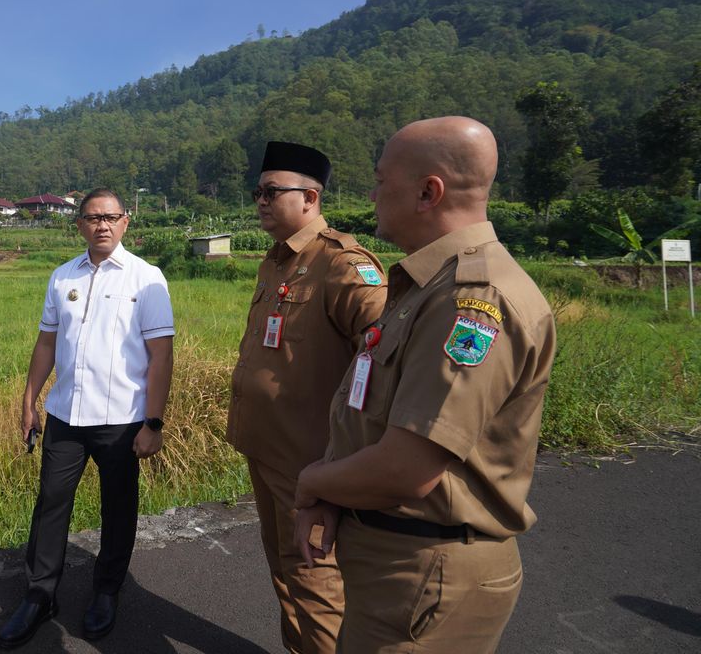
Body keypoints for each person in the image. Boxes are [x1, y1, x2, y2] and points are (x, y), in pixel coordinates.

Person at [293, 116, 557, 653]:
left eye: (381, 180)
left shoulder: (472, 300)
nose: (372, 194)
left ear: (427, 191)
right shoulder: (426, 286)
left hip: (424, 574)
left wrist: (314, 482)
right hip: (399, 567)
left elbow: (408, 468)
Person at [227, 141, 387, 653]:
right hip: (265, 449)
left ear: (311, 198)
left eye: (272, 191)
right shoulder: (274, 261)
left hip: (310, 465)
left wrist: (353, 457)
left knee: (316, 585)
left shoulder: (343, 266)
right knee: (284, 574)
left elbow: (389, 356)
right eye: (258, 191)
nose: (260, 200)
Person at [0, 188, 175, 649]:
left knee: (118, 509)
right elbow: (46, 344)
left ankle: (107, 591)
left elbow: (161, 356)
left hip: (121, 421)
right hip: (64, 416)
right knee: (51, 504)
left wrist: (152, 423)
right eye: (93, 218)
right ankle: (40, 595)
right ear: (79, 223)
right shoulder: (62, 278)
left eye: (111, 217)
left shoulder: (145, 278)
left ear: (126, 221)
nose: (102, 225)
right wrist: (29, 400)